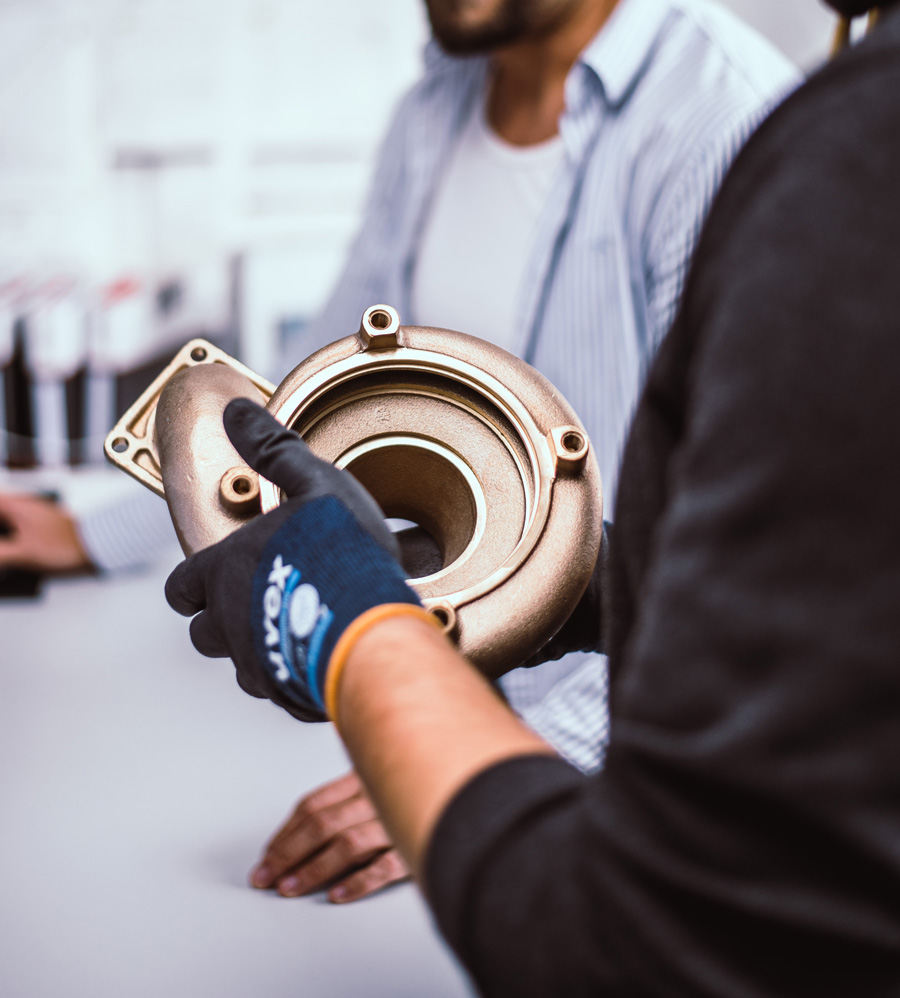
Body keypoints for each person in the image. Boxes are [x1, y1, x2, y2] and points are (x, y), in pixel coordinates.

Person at [165, 0, 900, 991]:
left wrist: (356, 639)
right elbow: (818, 589)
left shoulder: (809, 137)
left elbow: (653, 944)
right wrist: (585, 589)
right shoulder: (436, 106)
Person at [2, 0, 798, 901]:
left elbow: (766, 570)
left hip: (594, 749)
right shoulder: (437, 106)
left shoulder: (729, 124)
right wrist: (94, 531)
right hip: (413, 675)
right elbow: (301, 401)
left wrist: (492, 765)